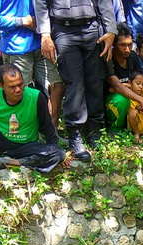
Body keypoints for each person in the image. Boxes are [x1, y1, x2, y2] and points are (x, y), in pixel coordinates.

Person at [35, 0, 118, 162]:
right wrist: (45, 34)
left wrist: (111, 30)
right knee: (74, 85)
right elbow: (41, 3)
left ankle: (95, 131)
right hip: (64, 30)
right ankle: (76, 135)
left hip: (92, 28)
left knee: (95, 82)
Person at [0, 0, 65, 126]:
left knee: (56, 86)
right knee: (20, 92)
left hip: (42, 43)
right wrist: (21, 21)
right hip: (16, 47)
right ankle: (25, 135)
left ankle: (51, 133)